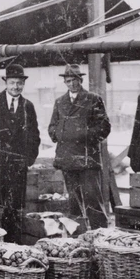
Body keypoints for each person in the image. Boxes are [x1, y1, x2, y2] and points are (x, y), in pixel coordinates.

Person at [48, 64, 111, 229]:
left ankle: (100, 235)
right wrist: (59, 134)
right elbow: (52, 126)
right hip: (67, 157)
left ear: (80, 80)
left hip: (87, 158)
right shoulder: (60, 102)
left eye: (75, 80)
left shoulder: (93, 99)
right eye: (68, 81)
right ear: (64, 82)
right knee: (73, 201)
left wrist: (83, 135)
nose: (72, 84)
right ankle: (77, 236)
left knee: (93, 200)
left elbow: (104, 127)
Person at [0, 63, 41, 243]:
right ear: (6, 82)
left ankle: (13, 242)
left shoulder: (28, 106)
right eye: (12, 82)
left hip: (18, 166)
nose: (15, 87)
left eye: (19, 83)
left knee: (15, 206)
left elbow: (35, 134)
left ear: (23, 84)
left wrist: (28, 159)